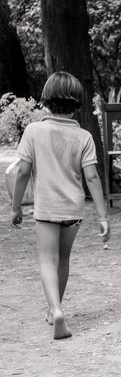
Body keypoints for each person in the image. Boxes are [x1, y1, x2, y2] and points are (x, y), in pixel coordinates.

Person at [10, 71, 110, 340]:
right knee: (62, 259)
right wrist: (103, 217)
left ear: (46, 100)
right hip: (72, 209)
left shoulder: (33, 131)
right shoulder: (84, 137)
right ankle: (55, 308)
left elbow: (21, 172)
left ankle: (54, 310)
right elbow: (92, 177)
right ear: (76, 103)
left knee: (46, 259)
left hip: (46, 209)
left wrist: (16, 206)